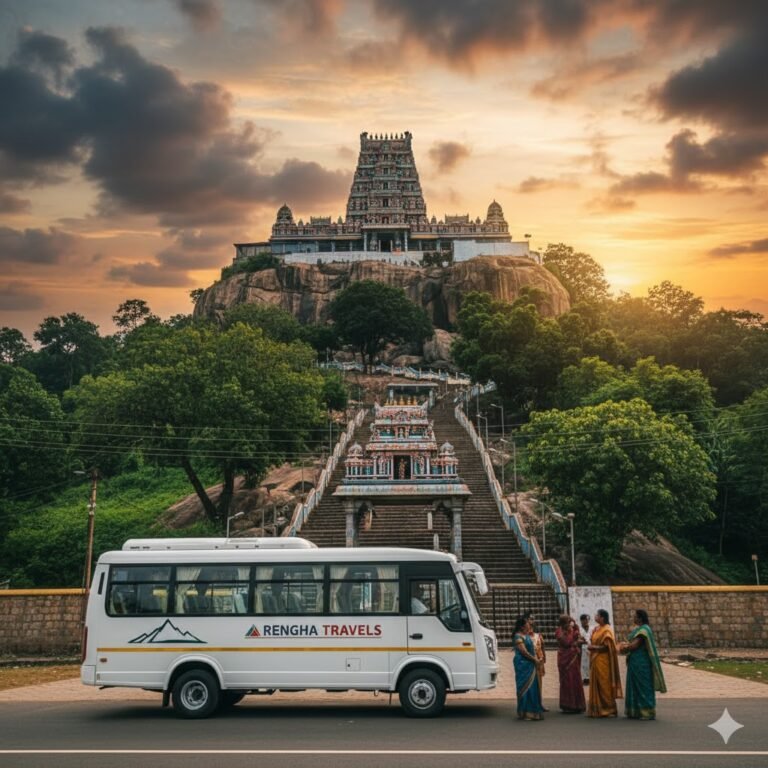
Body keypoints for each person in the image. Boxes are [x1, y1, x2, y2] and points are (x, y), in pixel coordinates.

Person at [619, 609, 667, 720]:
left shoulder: (644, 630)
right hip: (635, 663)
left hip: (642, 664)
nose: (633, 618)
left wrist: (623, 647)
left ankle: (647, 712)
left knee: (643, 687)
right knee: (634, 686)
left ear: (640, 618)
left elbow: (635, 645)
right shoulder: (638, 629)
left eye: (635, 616)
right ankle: (635, 711)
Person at [587, 608, 623, 717]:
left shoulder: (607, 630)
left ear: (602, 617)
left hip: (603, 660)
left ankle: (609, 708)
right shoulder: (597, 629)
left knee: (604, 684)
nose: (595, 617)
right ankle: (597, 708)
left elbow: (609, 647)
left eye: (597, 615)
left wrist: (594, 647)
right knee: (596, 683)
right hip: (595, 660)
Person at [512, 615, 545, 721]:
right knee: (525, 687)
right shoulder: (518, 636)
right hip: (523, 664)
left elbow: (534, 649)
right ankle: (525, 712)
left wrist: (538, 658)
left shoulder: (527, 635)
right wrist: (535, 660)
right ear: (522, 626)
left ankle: (533, 711)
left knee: (533, 687)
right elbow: (523, 652)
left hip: (531, 664)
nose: (529, 624)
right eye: (526, 623)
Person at [555, 615, 586, 714]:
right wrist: (575, 639)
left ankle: (577, 704)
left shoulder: (572, 629)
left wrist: (575, 630)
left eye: (570, 621)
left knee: (575, 679)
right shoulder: (559, 631)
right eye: (568, 621)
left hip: (573, 657)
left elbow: (580, 638)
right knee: (567, 680)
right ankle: (568, 705)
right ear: (563, 623)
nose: (570, 623)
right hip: (565, 658)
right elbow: (566, 642)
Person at [526, 612, 548, 711]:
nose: (532, 621)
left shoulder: (538, 635)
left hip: (538, 662)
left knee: (539, 684)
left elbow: (542, 647)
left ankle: (539, 703)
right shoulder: (524, 636)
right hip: (529, 662)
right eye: (530, 619)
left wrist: (544, 658)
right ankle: (530, 705)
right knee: (529, 684)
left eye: (533, 619)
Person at [579, 613, 593, 685]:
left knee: (590, 663)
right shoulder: (579, 629)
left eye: (587, 620)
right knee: (583, 664)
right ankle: (584, 679)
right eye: (584, 620)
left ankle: (590, 678)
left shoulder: (592, 628)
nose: (586, 622)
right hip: (582, 649)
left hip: (591, 648)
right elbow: (578, 639)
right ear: (581, 621)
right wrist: (583, 641)